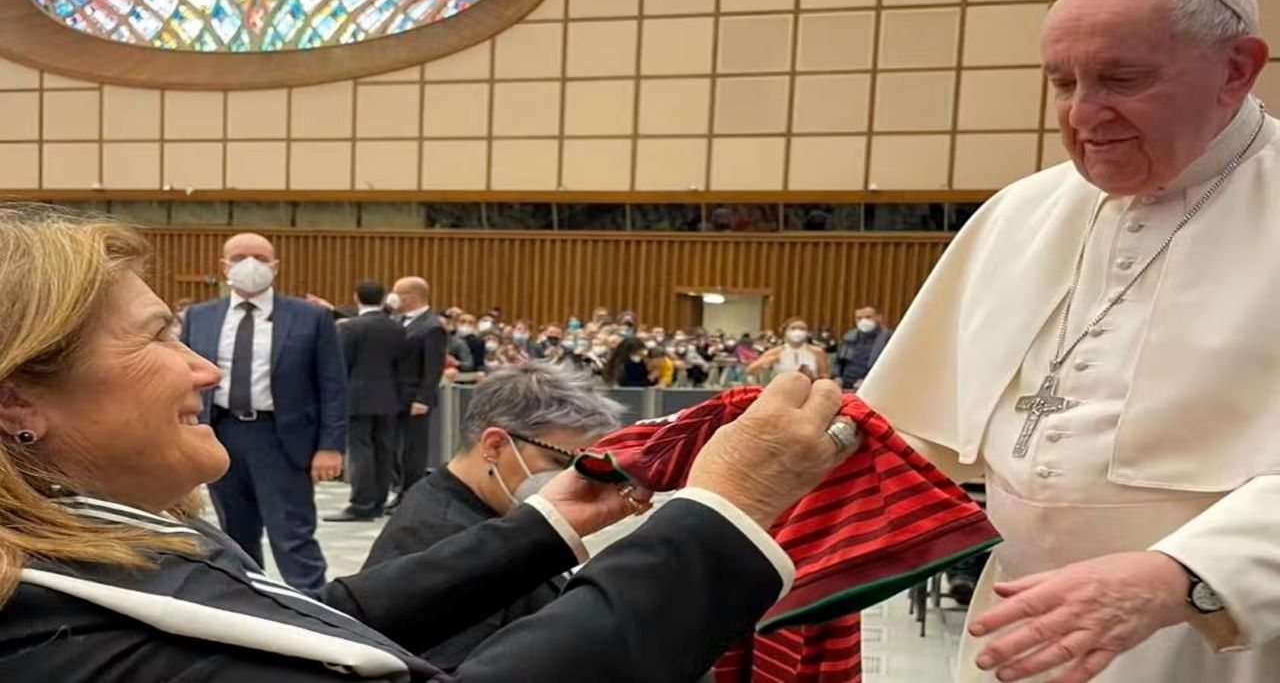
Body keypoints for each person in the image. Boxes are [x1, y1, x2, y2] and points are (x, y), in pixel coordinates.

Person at [0, 203, 856, 683]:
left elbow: (310, 623)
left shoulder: (88, 543)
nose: (203, 368)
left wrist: (546, 526)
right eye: (157, 337)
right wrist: (720, 513)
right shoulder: (63, 640)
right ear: (17, 401)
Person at [859, 0, 1280, 682]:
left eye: (1123, 79)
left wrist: (1184, 577)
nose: (1083, 114)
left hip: (1230, 638)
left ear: (1236, 69)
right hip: (1019, 633)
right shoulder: (1020, 212)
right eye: (1062, 83)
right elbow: (908, 431)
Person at [364, 363, 623, 670]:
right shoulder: (434, 537)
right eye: (559, 461)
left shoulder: (499, 514)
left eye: (585, 466)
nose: (574, 479)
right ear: (495, 445)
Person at [180, 231, 345, 592]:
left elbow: (332, 385)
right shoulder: (200, 316)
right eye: (239, 258)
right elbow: (184, 378)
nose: (250, 265)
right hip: (220, 433)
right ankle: (249, 600)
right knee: (234, 534)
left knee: (292, 533)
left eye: (259, 257)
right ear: (224, 266)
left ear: (275, 266)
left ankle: (314, 604)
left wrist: (330, 446)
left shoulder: (311, 317)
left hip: (282, 437)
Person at [326, 281, 406, 523]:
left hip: (358, 397)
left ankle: (361, 503)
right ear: (383, 298)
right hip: (389, 396)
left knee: (360, 450)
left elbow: (341, 365)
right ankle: (379, 501)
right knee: (384, 450)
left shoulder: (351, 327)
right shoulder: (397, 328)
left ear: (356, 297)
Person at [389, 277, 449, 507]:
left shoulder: (432, 326)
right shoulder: (398, 321)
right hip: (394, 396)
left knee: (413, 450)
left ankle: (410, 496)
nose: (393, 298)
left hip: (415, 398)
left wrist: (423, 398)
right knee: (393, 448)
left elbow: (433, 367)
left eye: (398, 293)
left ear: (412, 296)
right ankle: (398, 490)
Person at [746, 318, 829, 380]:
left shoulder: (817, 352)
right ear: (785, 332)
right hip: (780, 391)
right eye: (793, 328)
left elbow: (825, 376)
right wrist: (768, 361)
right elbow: (750, 371)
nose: (798, 332)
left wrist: (815, 377)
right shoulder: (775, 352)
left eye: (802, 329)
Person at [834, 306, 893, 391]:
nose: (863, 321)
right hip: (845, 385)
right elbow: (839, 362)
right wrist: (837, 377)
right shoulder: (849, 337)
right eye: (859, 318)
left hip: (874, 386)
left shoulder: (889, 338)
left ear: (879, 318)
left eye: (868, 317)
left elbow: (890, 367)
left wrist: (868, 381)